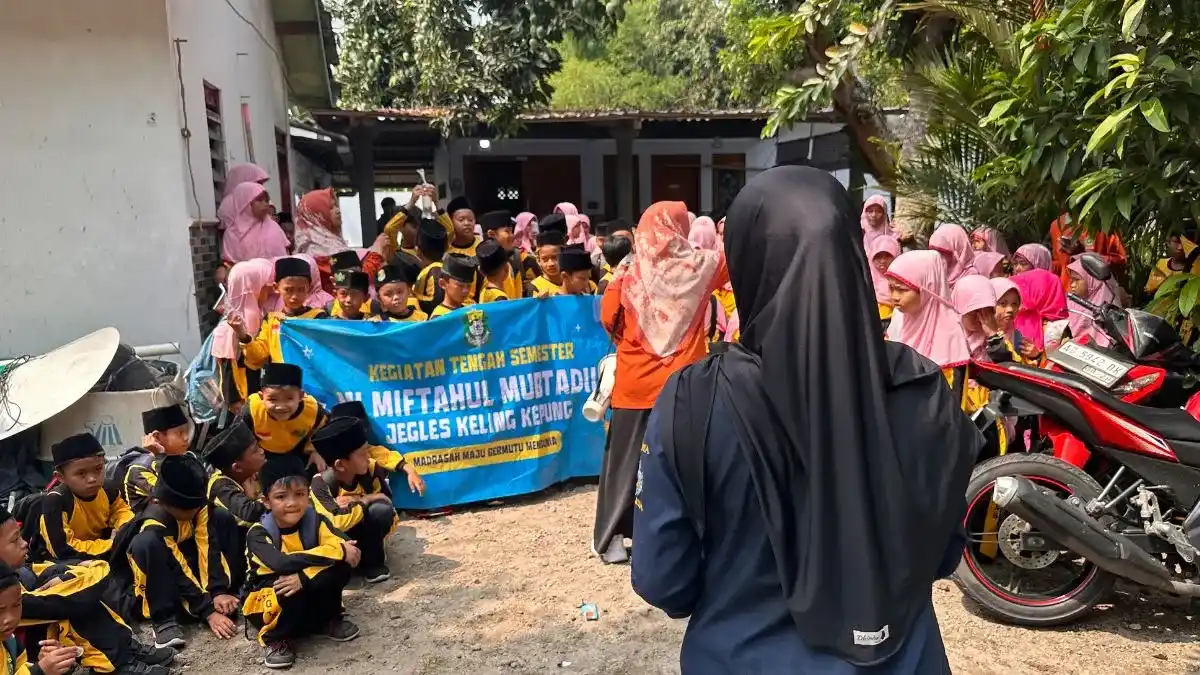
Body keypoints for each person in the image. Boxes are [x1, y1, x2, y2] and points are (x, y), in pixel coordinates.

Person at [632, 166, 976, 673]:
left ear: (747, 262)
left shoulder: (694, 400)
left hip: (741, 656)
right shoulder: (922, 389)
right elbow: (942, 552)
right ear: (853, 255)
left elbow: (664, 579)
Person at [595, 201, 727, 564]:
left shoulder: (627, 269)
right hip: (685, 382)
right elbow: (733, 264)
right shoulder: (702, 266)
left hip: (634, 383)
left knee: (624, 463)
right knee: (687, 458)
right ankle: (688, 533)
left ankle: (611, 540)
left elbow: (608, 318)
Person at [0, 507, 174, 675]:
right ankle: (113, 664)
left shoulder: (20, 572)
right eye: (15, 540)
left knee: (67, 587)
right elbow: (87, 584)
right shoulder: (8, 597)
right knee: (72, 601)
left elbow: (78, 572)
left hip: (32, 650)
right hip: (31, 648)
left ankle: (125, 647)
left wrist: (69, 578)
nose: (24, 544)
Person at [242, 456, 360, 669]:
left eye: (300, 494)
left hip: (304, 588)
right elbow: (282, 564)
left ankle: (327, 619)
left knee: (340, 565)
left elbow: (350, 550)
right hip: (271, 599)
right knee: (287, 584)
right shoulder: (258, 534)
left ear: (308, 496)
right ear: (266, 501)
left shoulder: (316, 521)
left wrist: (305, 577)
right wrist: (336, 551)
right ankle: (276, 638)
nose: (292, 503)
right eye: (281, 497)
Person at [121, 455, 237, 650]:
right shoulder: (155, 521)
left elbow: (207, 545)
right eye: (188, 510)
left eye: (196, 507)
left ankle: (232, 590)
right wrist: (207, 610)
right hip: (160, 572)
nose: (194, 511)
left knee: (222, 516)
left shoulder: (197, 505)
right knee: (145, 543)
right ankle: (164, 620)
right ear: (161, 502)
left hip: (189, 558)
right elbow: (177, 565)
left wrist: (218, 591)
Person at [309, 418, 416, 584]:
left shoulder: (371, 469)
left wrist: (355, 502)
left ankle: (373, 561)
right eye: (362, 454)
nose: (369, 457)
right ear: (340, 465)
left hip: (369, 530)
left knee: (380, 510)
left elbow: (386, 504)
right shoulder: (320, 483)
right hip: (340, 540)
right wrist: (365, 500)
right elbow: (336, 522)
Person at [38, 434, 134, 563]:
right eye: (81, 473)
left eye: (98, 469)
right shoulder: (56, 502)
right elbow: (61, 549)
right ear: (60, 477)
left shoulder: (108, 489)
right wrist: (113, 544)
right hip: (68, 561)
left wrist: (124, 530)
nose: (92, 479)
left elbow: (122, 511)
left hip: (103, 550)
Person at [886, 250, 972, 386]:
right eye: (891, 288)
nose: (894, 297)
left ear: (928, 288)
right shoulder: (899, 320)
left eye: (902, 289)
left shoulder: (950, 335)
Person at [202, 420, 268, 592]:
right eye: (255, 450)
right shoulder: (221, 486)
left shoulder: (252, 473)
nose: (262, 451)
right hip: (229, 554)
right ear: (237, 467)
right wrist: (271, 500)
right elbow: (249, 513)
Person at [232, 257, 328, 370]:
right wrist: (243, 335)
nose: (294, 296)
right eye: (288, 290)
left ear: (308, 288)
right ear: (276, 288)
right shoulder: (272, 319)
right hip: (281, 383)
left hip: (311, 381)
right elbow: (257, 357)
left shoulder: (318, 318)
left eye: (301, 290)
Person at [211, 258, 276, 407]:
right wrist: (233, 399)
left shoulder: (256, 313)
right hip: (245, 395)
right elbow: (228, 367)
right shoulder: (239, 320)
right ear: (253, 286)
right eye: (264, 286)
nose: (270, 290)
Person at [242, 363, 329, 474]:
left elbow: (322, 430)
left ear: (301, 396)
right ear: (261, 397)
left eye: (289, 398)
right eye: (273, 399)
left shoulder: (313, 411)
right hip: (262, 454)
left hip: (298, 452)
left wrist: (316, 451)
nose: (280, 407)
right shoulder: (252, 410)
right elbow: (241, 440)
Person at [117, 405, 192, 514]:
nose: (186, 437)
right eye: (180, 433)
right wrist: (160, 456)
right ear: (156, 437)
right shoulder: (139, 470)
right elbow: (173, 495)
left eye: (186, 431)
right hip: (154, 526)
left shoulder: (186, 458)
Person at [220, 183, 290, 265]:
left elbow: (285, 256)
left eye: (266, 200)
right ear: (245, 203)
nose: (265, 204)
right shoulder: (232, 233)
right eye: (259, 200)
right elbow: (229, 264)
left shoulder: (274, 227)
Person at [1010, 268, 1070, 364]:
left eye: (1030, 289)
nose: (1023, 293)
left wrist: (1036, 354)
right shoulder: (1019, 317)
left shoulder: (1058, 328)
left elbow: (1058, 364)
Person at [1067, 256, 1119, 347]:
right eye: (1071, 280)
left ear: (1091, 280)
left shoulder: (1108, 305)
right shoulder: (1071, 303)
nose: (1072, 285)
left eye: (1077, 280)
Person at [951, 275, 999, 361]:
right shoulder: (949, 338)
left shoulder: (993, 336)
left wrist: (993, 336)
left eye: (986, 313)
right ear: (960, 309)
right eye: (974, 312)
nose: (980, 318)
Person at [478, 214, 523, 299]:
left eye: (512, 231)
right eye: (507, 231)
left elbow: (519, 298)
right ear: (491, 234)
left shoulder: (514, 262)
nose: (512, 236)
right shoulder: (480, 264)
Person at [413, 219, 450, 315]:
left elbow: (435, 302)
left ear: (417, 250)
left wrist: (413, 295)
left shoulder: (435, 270)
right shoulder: (444, 267)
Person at [928, 224, 978, 289]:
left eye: (943, 253)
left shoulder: (971, 279)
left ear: (959, 249)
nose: (937, 257)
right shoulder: (932, 276)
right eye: (934, 251)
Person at [430, 254, 478, 318]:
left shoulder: (469, 309)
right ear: (443, 284)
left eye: (469, 286)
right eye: (460, 285)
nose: (465, 291)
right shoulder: (439, 318)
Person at [867, 236, 900, 325]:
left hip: (895, 323)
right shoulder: (866, 280)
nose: (882, 261)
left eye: (888, 256)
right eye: (877, 257)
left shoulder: (902, 279)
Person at [531, 231, 567, 296]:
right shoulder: (534, 287)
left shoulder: (574, 282)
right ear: (538, 261)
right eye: (545, 259)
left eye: (554, 257)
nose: (551, 264)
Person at [512, 212, 541, 282]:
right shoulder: (517, 244)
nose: (532, 227)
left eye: (533, 224)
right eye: (529, 224)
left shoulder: (533, 243)